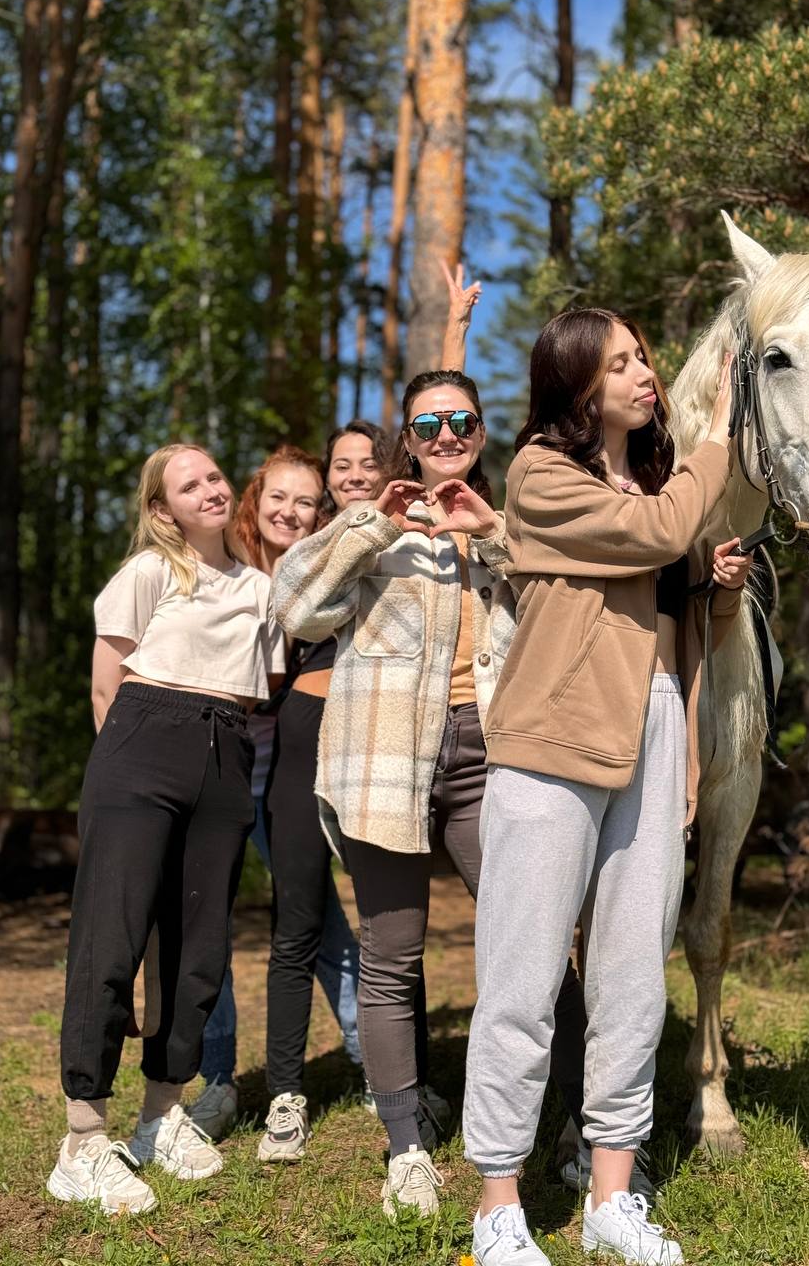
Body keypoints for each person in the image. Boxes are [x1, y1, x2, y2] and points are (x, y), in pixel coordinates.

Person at [463, 311, 752, 1266]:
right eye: (618, 362)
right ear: (578, 387)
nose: (644, 373)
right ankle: (498, 1202)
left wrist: (713, 586)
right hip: (554, 733)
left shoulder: (659, 483)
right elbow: (660, 530)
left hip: (655, 716)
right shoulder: (542, 475)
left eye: (642, 357)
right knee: (523, 978)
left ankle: (609, 1195)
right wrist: (718, 439)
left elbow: (673, 606)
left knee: (633, 977)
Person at [272, 370, 589, 1217]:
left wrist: (490, 537)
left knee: (537, 943)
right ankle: (406, 1145)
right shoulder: (368, 526)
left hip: (495, 760)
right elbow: (295, 607)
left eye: (463, 420)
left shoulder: (510, 517)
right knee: (390, 958)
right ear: (405, 440)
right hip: (384, 761)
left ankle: (581, 1128)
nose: (448, 434)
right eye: (429, 423)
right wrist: (374, 524)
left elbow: (569, 612)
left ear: (482, 430)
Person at [46, 444, 284, 1215]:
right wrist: (127, 776)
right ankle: (83, 1136)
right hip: (141, 744)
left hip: (226, 753)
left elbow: (266, 684)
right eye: (189, 485)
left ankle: (158, 1116)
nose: (210, 490)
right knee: (112, 941)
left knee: (196, 951)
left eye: (215, 476)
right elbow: (104, 685)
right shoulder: (149, 573)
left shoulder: (258, 588)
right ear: (162, 509)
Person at [188, 443, 368, 1140]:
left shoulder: (316, 571)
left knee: (320, 924)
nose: (292, 512)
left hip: (284, 773)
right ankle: (216, 1079)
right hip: (215, 773)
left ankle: (373, 1058)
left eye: (307, 501)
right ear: (253, 505)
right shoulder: (225, 574)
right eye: (279, 499)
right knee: (206, 928)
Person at [254, 420, 400, 1161]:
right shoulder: (308, 547)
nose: (350, 473)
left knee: (387, 927)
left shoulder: (406, 529)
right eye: (338, 465)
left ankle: (397, 1084)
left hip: (379, 733)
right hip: (307, 726)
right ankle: (285, 1096)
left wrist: (455, 333)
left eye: (363, 462)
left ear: (386, 470)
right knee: (297, 922)